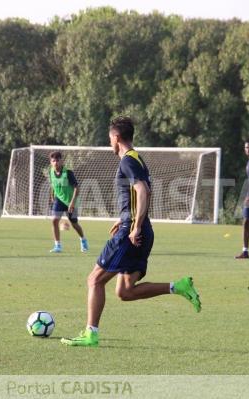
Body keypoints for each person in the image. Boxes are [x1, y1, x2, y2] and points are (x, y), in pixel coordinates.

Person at [61, 116, 201, 347]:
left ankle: (90, 334)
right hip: (140, 229)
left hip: (132, 233)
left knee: (94, 280)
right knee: (125, 292)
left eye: (110, 139)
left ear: (116, 138)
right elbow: (142, 193)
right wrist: (127, 217)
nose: (110, 144)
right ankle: (179, 286)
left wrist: (133, 225)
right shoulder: (137, 159)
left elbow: (143, 191)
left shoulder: (127, 160)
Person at [48, 151, 89, 253]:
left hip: (71, 201)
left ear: (62, 161)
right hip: (59, 200)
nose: (56, 163)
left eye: (58, 160)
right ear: (51, 162)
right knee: (54, 220)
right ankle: (57, 246)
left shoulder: (68, 173)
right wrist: (52, 194)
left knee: (74, 224)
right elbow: (53, 184)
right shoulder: (51, 171)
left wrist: (72, 202)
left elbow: (77, 188)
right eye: (53, 161)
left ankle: (83, 239)